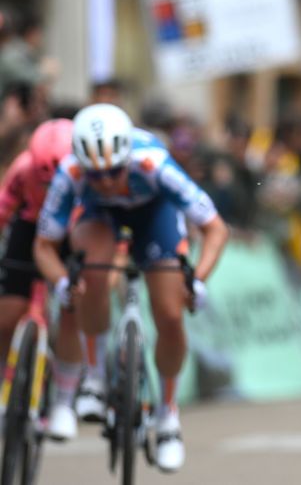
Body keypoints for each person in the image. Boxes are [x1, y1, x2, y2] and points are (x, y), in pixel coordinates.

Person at [34, 104, 229, 472]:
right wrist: (61, 282)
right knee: (90, 269)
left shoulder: (154, 163)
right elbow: (44, 245)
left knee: (170, 315)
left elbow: (216, 228)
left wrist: (198, 278)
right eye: (97, 174)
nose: (106, 181)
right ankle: (93, 378)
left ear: (127, 158)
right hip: (100, 217)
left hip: (154, 214)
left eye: (114, 171)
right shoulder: (70, 171)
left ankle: (167, 417)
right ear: (81, 165)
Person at [0, 120, 82, 439]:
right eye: (44, 181)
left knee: (74, 303)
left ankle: (63, 401)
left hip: (71, 229)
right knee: (7, 314)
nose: (50, 189)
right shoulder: (22, 169)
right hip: (31, 226)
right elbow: (4, 210)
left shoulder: (85, 173)